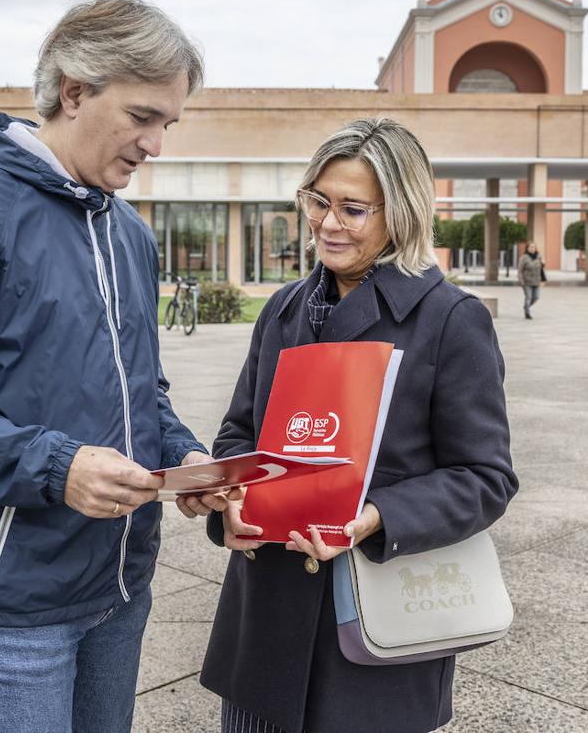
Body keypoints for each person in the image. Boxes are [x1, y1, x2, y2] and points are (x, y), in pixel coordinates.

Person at [0, 0, 225, 733]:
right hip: (8, 602)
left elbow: (138, 386)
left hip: (117, 586)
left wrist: (183, 455)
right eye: (143, 116)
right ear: (75, 90)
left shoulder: (129, 234)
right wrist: (57, 466)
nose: (157, 144)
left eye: (168, 124)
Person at [200, 118, 517, 733]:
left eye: (352, 209)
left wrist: (375, 516)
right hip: (264, 624)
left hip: (373, 633)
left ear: (400, 213)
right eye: (318, 201)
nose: (326, 223)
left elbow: (484, 477)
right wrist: (229, 505)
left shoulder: (451, 320)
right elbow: (240, 434)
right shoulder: (285, 308)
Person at [518, 241, 547, 319]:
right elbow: (520, 270)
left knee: (536, 297)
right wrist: (521, 281)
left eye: (534, 247)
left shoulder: (539, 256)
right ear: (527, 248)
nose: (532, 248)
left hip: (536, 281)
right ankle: (527, 313)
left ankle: (526, 307)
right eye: (530, 247)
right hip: (527, 281)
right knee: (528, 297)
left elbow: (541, 268)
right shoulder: (524, 257)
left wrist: (543, 264)